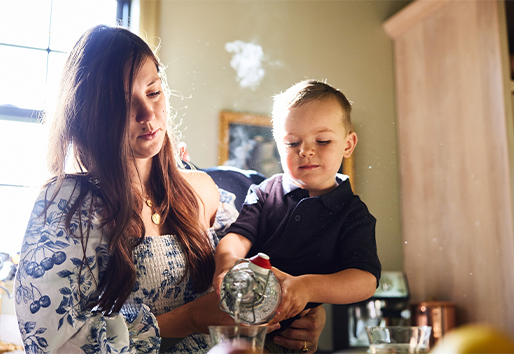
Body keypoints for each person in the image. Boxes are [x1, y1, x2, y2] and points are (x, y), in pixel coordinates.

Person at [14, 25, 326, 354]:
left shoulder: (203, 191)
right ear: (91, 115)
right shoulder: (67, 205)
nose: (147, 114)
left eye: (153, 92)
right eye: (123, 103)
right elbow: (52, 344)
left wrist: (297, 317)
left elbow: (254, 298)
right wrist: (191, 318)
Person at [214, 80, 382, 352]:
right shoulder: (265, 192)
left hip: (292, 338)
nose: (305, 151)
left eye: (323, 140)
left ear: (348, 144)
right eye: (292, 143)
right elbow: (237, 236)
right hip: (244, 328)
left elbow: (365, 279)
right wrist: (226, 263)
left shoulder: (353, 212)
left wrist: (308, 287)